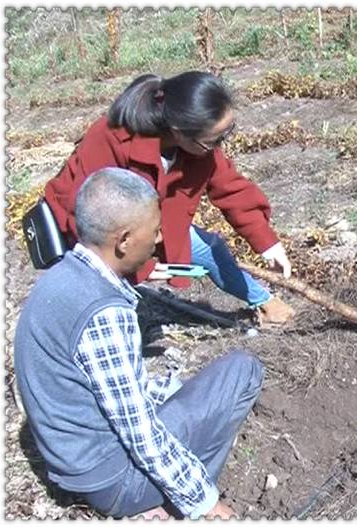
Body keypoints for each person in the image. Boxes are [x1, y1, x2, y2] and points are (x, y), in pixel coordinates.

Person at [14, 168, 264, 519]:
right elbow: (142, 434)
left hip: (74, 462)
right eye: (156, 229)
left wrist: (173, 393)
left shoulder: (59, 278)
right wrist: (206, 502)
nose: (160, 238)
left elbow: (108, 388)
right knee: (242, 370)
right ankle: (172, 503)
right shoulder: (104, 312)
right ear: (124, 240)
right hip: (112, 481)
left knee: (182, 394)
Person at [43, 70, 295, 325]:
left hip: (150, 224)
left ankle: (263, 301)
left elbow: (229, 187)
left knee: (209, 249)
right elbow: (85, 214)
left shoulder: (199, 146)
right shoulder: (111, 137)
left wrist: (267, 244)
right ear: (178, 131)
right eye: (213, 141)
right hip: (85, 231)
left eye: (224, 135)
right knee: (102, 293)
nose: (218, 147)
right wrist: (139, 268)